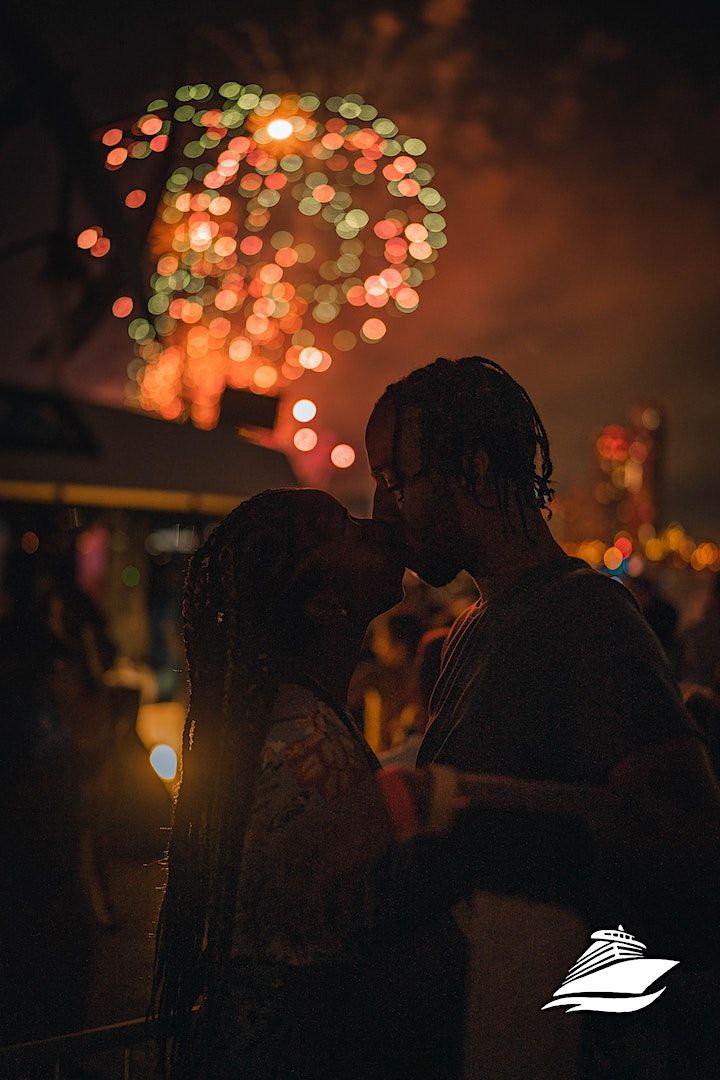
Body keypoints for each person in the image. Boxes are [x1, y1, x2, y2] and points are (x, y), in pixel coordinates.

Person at [148, 488, 599, 1080]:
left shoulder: (287, 721)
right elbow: (362, 969)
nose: (377, 527)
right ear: (323, 604)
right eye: (344, 530)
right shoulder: (311, 751)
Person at [366, 355, 720, 1076]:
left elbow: (684, 835)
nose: (382, 510)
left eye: (396, 480)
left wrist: (559, 1017)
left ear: (470, 468)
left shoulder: (584, 612)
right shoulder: (472, 626)